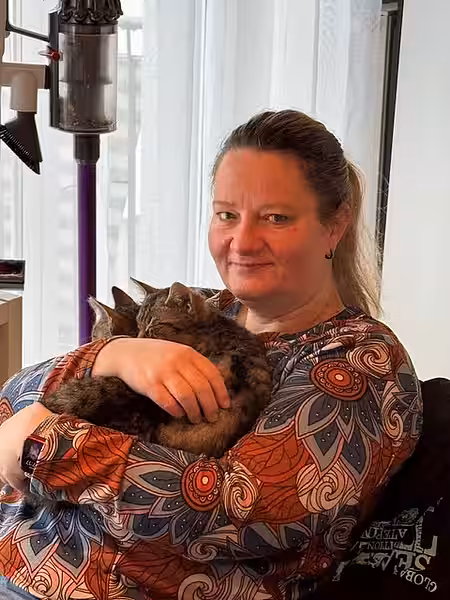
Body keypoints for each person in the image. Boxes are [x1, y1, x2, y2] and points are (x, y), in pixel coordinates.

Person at [0, 110, 422, 600]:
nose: (242, 241)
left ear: (334, 226)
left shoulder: (359, 360)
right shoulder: (199, 308)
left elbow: (239, 508)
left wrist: (44, 445)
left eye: (276, 217)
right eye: (227, 215)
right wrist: (113, 355)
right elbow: (13, 399)